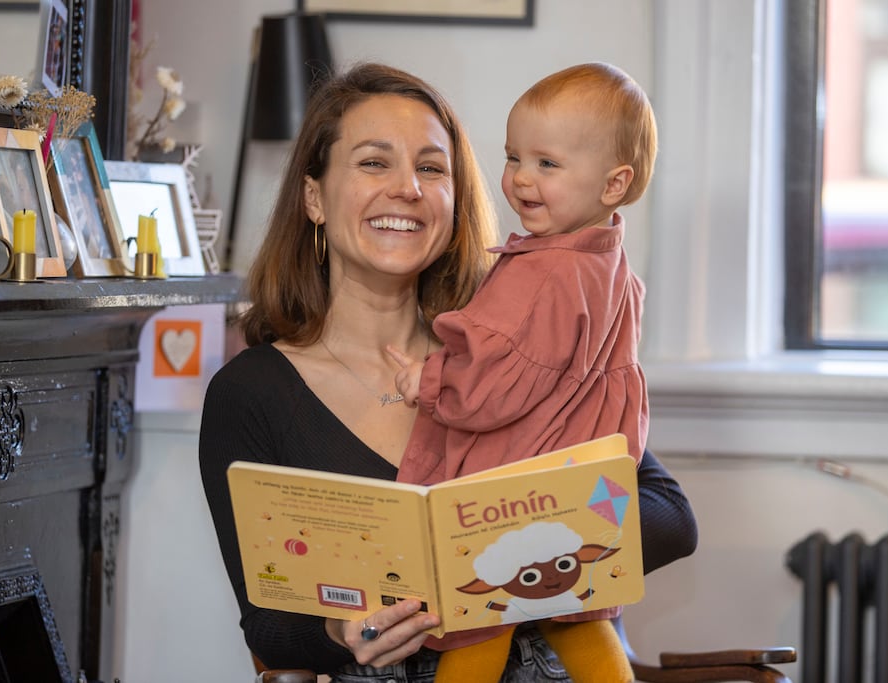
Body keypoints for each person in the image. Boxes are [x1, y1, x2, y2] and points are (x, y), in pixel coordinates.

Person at [199, 62, 696, 682]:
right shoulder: (252, 392)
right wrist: (342, 629)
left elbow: (671, 517)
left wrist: (513, 546)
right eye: (374, 163)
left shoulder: (518, 342)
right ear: (314, 197)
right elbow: (268, 622)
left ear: (454, 199)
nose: (407, 188)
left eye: (432, 168)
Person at [387, 62, 657, 683]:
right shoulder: (611, 268)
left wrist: (428, 380)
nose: (520, 180)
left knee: (476, 618)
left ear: (614, 183)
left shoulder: (543, 273)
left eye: (547, 164)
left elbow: (491, 383)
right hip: (581, 488)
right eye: (514, 158)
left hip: (516, 488)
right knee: (581, 614)